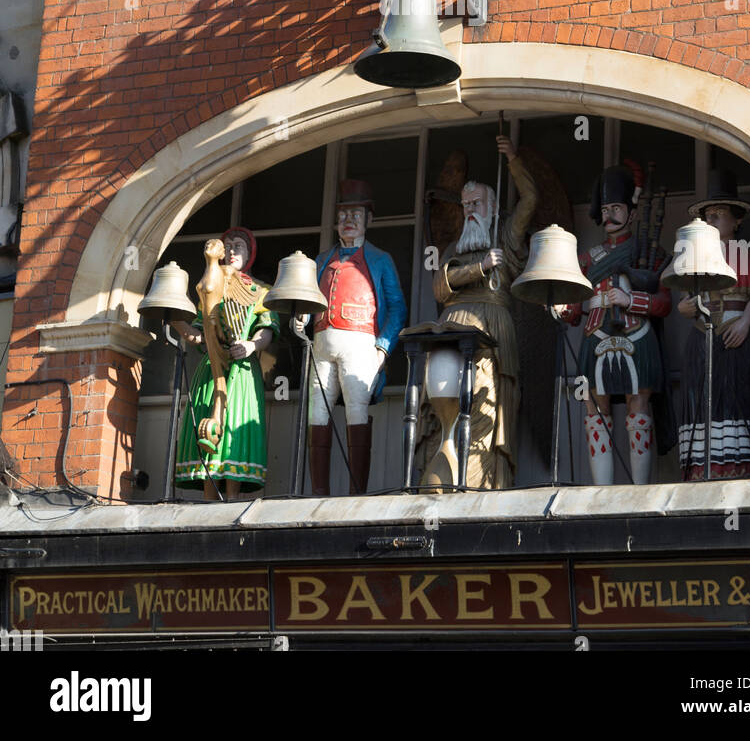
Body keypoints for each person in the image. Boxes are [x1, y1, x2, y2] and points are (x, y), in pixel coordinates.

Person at [422, 135, 537, 490]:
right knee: (443, 406)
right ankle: (438, 478)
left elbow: (531, 199)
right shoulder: (457, 246)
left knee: (487, 404)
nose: (470, 208)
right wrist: (480, 267)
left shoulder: (506, 235)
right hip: (452, 330)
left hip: (492, 330)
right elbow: (440, 288)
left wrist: (514, 161)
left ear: (493, 205)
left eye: (477, 202)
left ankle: (481, 483)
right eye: (466, 203)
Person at [554, 163, 670, 485]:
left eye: (616, 208)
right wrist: (559, 305)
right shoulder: (587, 259)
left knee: (639, 404)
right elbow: (573, 311)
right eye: (606, 209)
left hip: (639, 334)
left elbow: (665, 304)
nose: (610, 216)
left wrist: (630, 300)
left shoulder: (651, 253)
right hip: (595, 333)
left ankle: (641, 491)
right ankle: (601, 492)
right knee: (594, 406)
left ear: (633, 214)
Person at [296, 180, 406, 496]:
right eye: (344, 213)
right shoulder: (319, 260)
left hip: (360, 345)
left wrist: (382, 349)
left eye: (356, 213)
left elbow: (397, 308)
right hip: (322, 345)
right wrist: (302, 316)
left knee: (356, 410)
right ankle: (319, 492)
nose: (349, 220)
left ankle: (357, 491)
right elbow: (306, 299)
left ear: (368, 219)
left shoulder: (381, 259)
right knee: (318, 412)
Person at [677, 170, 750, 480]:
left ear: (737, 220)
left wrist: (745, 322)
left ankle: (740, 467)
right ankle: (704, 469)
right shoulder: (694, 257)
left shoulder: (748, 255)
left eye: (719, 214)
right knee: (705, 405)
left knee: (739, 401)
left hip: (738, 339)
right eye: (708, 215)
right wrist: (685, 307)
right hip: (702, 342)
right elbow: (683, 302)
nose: (713, 219)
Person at [174, 226, 277, 500]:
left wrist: (252, 345)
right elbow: (199, 331)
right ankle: (210, 495)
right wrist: (180, 324)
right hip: (210, 370)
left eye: (239, 246)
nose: (232, 251)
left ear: (250, 254)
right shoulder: (212, 286)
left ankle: (231, 496)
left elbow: (267, 328)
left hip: (241, 372)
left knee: (234, 426)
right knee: (207, 425)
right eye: (228, 246)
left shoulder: (260, 291)